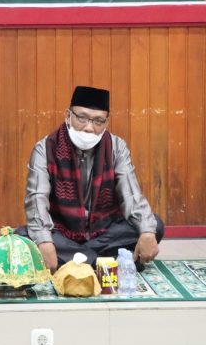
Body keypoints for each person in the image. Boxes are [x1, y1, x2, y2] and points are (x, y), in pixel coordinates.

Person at [17, 86, 164, 273]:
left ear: (107, 122)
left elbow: (131, 195)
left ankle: (76, 261)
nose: (89, 127)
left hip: (105, 232)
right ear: (68, 116)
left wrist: (147, 232)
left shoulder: (117, 147)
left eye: (98, 121)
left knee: (154, 226)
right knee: (24, 237)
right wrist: (45, 242)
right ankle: (106, 262)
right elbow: (36, 199)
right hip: (62, 233)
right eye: (82, 118)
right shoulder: (45, 149)